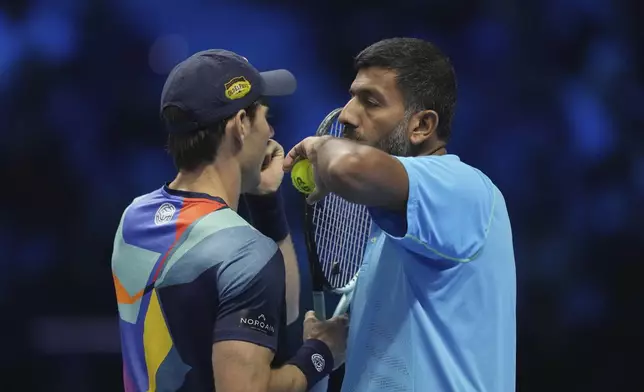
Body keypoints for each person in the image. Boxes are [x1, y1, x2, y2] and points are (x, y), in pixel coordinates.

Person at [284, 38, 516, 391]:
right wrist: (323, 353)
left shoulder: (462, 188)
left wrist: (321, 146)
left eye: (371, 102)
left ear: (422, 126)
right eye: (352, 96)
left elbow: (347, 167)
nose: (346, 114)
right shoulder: (389, 234)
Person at [111, 49, 347, 392]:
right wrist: (322, 353)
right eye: (265, 116)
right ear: (239, 125)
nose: (272, 130)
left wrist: (265, 202)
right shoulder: (243, 252)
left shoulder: (133, 219)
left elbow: (280, 311)